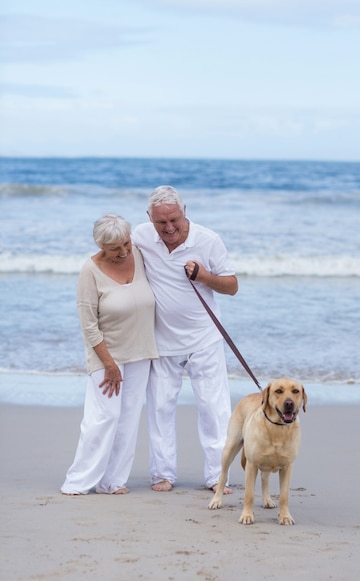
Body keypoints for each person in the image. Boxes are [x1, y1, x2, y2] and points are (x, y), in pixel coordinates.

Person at [131, 185, 238, 492]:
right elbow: (115, 250)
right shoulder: (141, 236)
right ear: (149, 218)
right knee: (160, 408)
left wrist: (204, 276)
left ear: (184, 211)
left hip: (204, 338)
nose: (169, 228)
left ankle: (217, 477)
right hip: (161, 340)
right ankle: (162, 474)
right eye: (161, 223)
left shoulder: (208, 240)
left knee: (213, 409)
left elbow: (232, 286)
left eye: (174, 220)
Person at [61, 214, 158, 495]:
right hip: (107, 356)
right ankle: (78, 481)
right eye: (116, 249)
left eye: (126, 243)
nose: (124, 252)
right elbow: (88, 325)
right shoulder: (89, 271)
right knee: (103, 417)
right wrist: (109, 363)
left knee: (128, 418)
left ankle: (112, 481)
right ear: (102, 246)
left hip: (141, 351)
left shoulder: (138, 254)